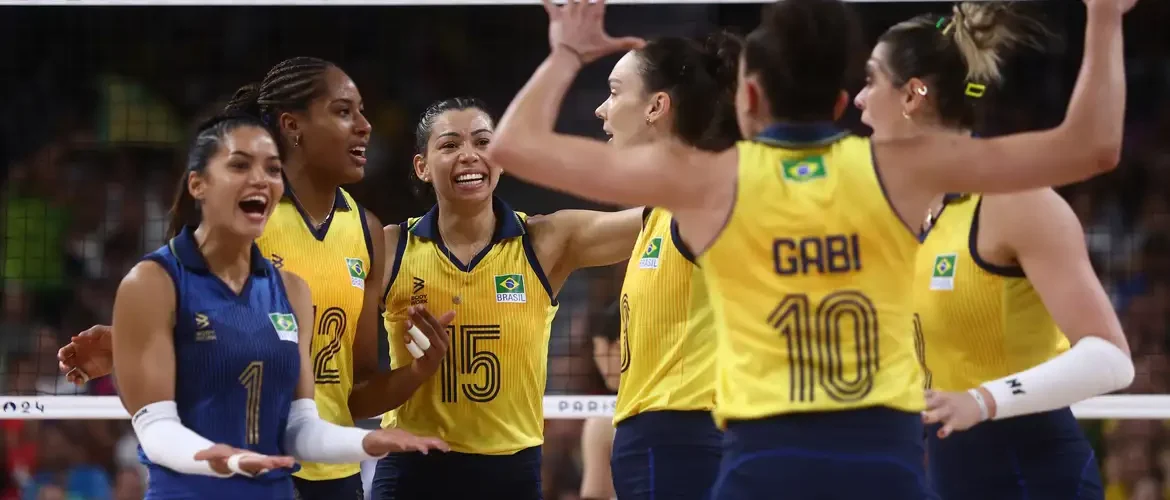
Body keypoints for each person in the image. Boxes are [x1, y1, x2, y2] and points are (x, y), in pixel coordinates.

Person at [485, 0, 1134, 498]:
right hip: (885, 451)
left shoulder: (706, 183)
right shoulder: (902, 170)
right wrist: (1105, 16)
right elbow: (1095, 145)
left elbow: (513, 148)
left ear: (748, 96)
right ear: (841, 101)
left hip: (763, 454)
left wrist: (567, 54)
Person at [59, 57, 453, 500]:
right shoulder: (243, 219)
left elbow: (353, 392)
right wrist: (128, 341)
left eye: (361, 111)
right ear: (293, 126)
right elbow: (192, 318)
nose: (364, 125)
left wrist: (419, 371)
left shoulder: (365, 231)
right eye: (344, 111)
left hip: (332, 475)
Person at [854, 5, 1132, 499]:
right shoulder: (898, 209)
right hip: (947, 475)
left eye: (871, 80)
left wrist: (983, 400)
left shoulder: (1013, 200)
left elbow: (1111, 359)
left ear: (912, 95)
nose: (858, 100)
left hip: (1035, 476)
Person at [371, 97, 644, 500]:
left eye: (483, 142)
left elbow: (655, 219)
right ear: (422, 167)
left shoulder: (546, 241)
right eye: (449, 145)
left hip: (510, 472)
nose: (469, 155)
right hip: (412, 470)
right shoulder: (389, 248)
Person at [595, 33, 741, 500]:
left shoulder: (708, 198)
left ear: (656, 107)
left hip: (686, 436)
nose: (601, 108)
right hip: (661, 439)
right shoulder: (662, 209)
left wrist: (564, 57)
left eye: (615, 92)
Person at [580, 302, 621, 500]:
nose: (599, 360)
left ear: (620, 345)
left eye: (600, 349)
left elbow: (594, 495)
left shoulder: (602, 424)